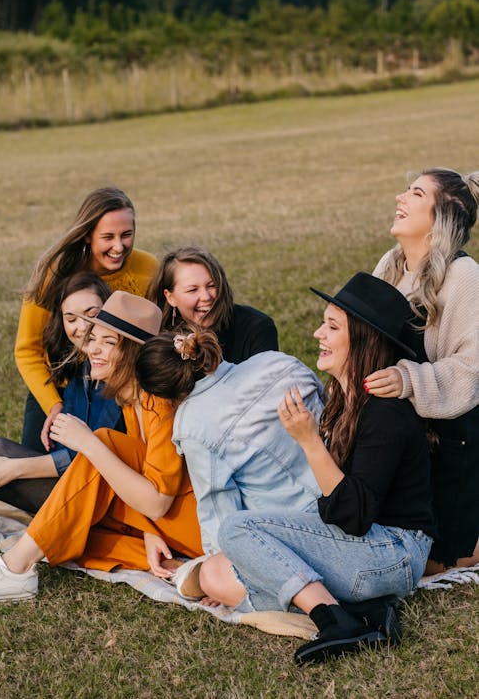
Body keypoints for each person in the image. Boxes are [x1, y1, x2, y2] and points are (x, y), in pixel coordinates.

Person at [139, 274, 435, 664]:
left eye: (331, 327)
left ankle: (334, 620)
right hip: (365, 547)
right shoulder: (333, 393)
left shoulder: (383, 412)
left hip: (392, 553)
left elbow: (353, 517)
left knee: (234, 536)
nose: (317, 333)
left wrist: (309, 441)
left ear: (362, 340)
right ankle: (366, 611)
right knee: (224, 566)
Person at [0, 292, 203, 607]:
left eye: (108, 343)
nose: (92, 349)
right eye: (93, 339)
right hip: (163, 523)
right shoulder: (130, 398)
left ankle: (15, 567)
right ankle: (177, 568)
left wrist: (88, 442)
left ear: (134, 353)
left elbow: (157, 503)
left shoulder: (159, 402)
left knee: (103, 444)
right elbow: (142, 480)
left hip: (196, 524)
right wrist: (149, 532)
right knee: (71, 531)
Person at [365, 168, 479, 572]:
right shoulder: (390, 265)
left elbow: (470, 369)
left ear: (444, 214)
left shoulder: (465, 276)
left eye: (415, 193)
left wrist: (407, 379)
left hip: (448, 438)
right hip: (393, 425)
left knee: (441, 560)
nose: (400, 198)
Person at [134, 328, 324, 564]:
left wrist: (218, 568)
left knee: (197, 579)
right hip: (345, 487)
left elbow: (219, 510)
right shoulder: (275, 360)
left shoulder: (193, 424)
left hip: (299, 529)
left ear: (164, 395)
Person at [15, 186, 158, 452]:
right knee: (31, 466)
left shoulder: (148, 268)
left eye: (127, 235)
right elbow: (27, 351)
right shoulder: (54, 275)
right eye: (108, 237)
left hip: (117, 389)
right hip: (59, 385)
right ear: (87, 236)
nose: (119, 246)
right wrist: (53, 405)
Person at [0, 272, 124, 514]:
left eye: (92, 315)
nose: (82, 327)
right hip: (75, 482)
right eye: (71, 319)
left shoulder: (118, 375)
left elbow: (89, 455)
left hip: (105, 500)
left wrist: (15, 469)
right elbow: (64, 445)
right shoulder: (81, 368)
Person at [147, 246, 278, 363]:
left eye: (212, 285)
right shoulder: (159, 340)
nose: (206, 297)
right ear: (170, 297)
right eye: (192, 290)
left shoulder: (256, 327)